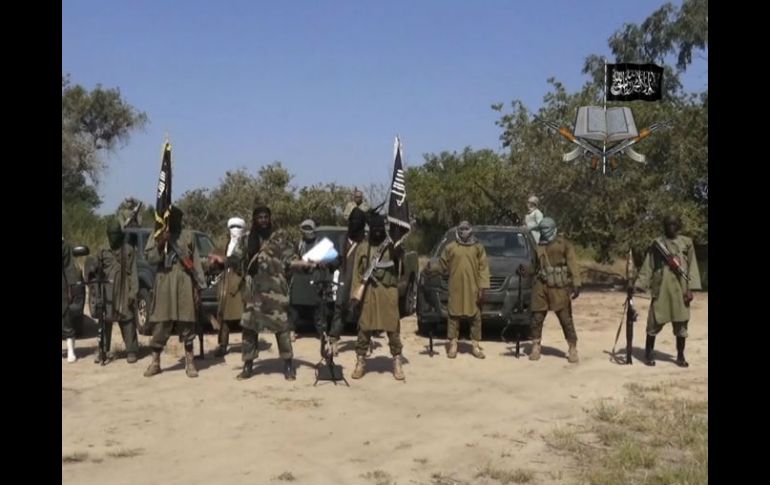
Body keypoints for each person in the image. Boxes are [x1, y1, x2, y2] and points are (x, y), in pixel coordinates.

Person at [236, 205, 310, 381]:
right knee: (249, 328)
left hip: (276, 290)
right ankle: (248, 365)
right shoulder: (246, 239)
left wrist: (305, 265)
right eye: (259, 217)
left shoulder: (281, 238)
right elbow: (237, 258)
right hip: (253, 291)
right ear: (254, 219)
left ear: (270, 218)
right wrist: (223, 261)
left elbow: (291, 259)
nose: (263, 220)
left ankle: (288, 364)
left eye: (265, 217)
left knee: (282, 328)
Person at [142, 206, 206, 378]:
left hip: (184, 281)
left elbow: (196, 262)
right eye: (171, 218)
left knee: (187, 323)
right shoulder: (157, 234)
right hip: (164, 281)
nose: (174, 221)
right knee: (160, 323)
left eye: (177, 218)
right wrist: (161, 242)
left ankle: (190, 363)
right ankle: (155, 362)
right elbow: (149, 258)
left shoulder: (188, 236)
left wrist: (198, 288)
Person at [633, 214, 702, 367]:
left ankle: (680, 355)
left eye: (674, 224)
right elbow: (649, 265)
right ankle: (648, 353)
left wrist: (690, 288)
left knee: (681, 324)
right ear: (664, 226)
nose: (671, 227)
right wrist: (640, 283)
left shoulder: (686, 243)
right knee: (653, 322)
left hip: (681, 288)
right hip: (661, 287)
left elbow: (692, 266)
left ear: (678, 226)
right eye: (668, 224)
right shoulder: (658, 244)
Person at [350, 211, 405, 380]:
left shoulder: (391, 245)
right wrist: (354, 296)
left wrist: (398, 248)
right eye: (375, 228)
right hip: (369, 292)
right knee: (364, 328)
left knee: (392, 329)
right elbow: (357, 274)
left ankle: (397, 360)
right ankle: (360, 361)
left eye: (380, 228)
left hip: (388, 292)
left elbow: (401, 267)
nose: (378, 231)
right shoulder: (362, 247)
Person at [524, 217, 582, 363]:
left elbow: (573, 263)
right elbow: (535, 266)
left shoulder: (564, 244)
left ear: (553, 229)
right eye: (542, 229)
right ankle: (536, 346)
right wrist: (524, 271)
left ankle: (572, 348)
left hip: (558, 287)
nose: (544, 232)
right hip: (541, 285)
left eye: (546, 229)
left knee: (565, 318)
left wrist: (576, 283)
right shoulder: (538, 246)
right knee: (537, 318)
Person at [432, 221, 490, 359]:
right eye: (461, 229)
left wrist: (482, 288)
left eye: (466, 229)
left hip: (473, 288)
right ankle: (453, 345)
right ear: (458, 231)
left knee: (475, 317)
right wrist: (430, 270)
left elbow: (483, 268)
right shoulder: (451, 247)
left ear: (471, 230)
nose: (464, 232)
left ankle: (475, 346)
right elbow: (442, 265)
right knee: (453, 316)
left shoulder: (478, 247)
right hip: (455, 288)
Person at [85, 220, 140, 364]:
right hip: (107, 292)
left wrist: (133, 292)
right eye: (110, 235)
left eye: (115, 234)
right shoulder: (103, 251)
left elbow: (134, 274)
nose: (113, 237)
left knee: (128, 320)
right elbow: (94, 271)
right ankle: (103, 350)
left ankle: (132, 350)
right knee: (105, 321)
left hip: (124, 289)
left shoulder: (128, 250)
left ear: (120, 234)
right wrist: (93, 270)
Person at [207, 217, 247, 357]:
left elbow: (242, 262)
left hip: (241, 282)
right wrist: (214, 262)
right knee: (223, 315)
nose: (235, 230)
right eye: (232, 227)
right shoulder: (225, 244)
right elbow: (215, 261)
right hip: (226, 282)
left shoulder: (246, 244)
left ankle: (247, 344)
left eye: (238, 227)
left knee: (244, 315)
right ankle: (223, 345)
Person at [62, 238, 81, 363]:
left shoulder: (64, 245)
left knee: (65, 316)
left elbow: (69, 267)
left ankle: (70, 350)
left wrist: (71, 288)